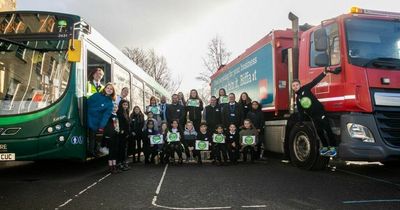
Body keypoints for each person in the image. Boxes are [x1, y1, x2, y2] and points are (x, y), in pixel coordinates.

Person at [292, 70, 337, 156]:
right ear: (292, 88)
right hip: (314, 117)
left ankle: (333, 148)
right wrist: (300, 122)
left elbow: (314, 82)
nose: (295, 86)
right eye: (293, 86)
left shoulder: (305, 88)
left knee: (327, 130)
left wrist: (324, 73)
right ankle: (325, 147)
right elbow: (300, 112)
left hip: (320, 113)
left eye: (297, 85)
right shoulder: (298, 99)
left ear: (300, 85)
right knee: (319, 132)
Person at [87, 83, 116, 157]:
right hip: (87, 117)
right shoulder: (97, 95)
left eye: (111, 89)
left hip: (96, 122)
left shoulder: (110, 103)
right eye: (108, 88)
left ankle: (92, 151)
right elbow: (87, 102)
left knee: (93, 137)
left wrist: (101, 126)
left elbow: (106, 116)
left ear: (113, 91)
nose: (109, 90)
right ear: (105, 88)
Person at [104, 104, 120, 174]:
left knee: (115, 152)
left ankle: (114, 166)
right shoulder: (109, 115)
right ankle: (111, 168)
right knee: (111, 152)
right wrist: (107, 135)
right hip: (110, 136)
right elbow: (107, 126)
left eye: (116, 107)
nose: (114, 108)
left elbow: (117, 126)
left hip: (116, 135)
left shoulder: (116, 115)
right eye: (113, 107)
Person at [116, 99, 131, 171]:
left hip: (126, 133)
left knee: (124, 148)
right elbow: (119, 123)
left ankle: (123, 162)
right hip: (121, 133)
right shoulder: (119, 112)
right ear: (121, 105)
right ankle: (120, 163)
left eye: (126, 105)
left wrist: (127, 132)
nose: (125, 106)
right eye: (124, 104)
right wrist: (122, 130)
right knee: (121, 149)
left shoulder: (126, 112)